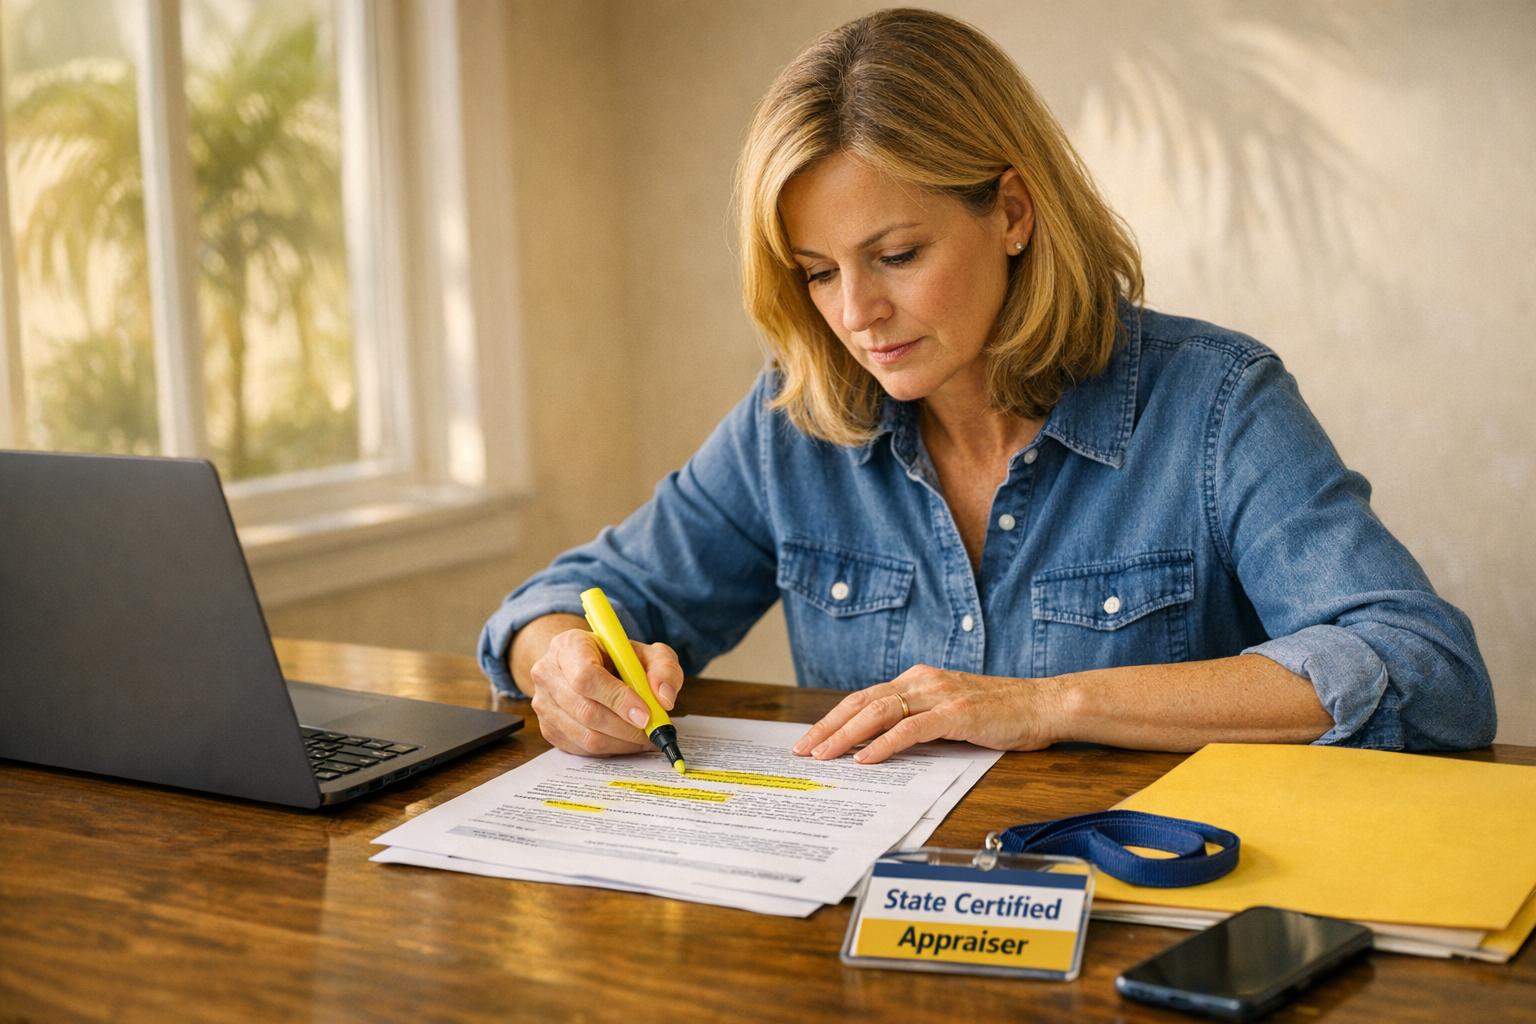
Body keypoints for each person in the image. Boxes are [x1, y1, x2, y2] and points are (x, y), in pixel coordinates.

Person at [478, 8, 1494, 765]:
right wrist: (559, 658)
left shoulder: (1218, 405)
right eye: (819, 272)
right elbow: (569, 599)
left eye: (897, 253)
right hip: (865, 931)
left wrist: (1052, 703)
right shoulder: (796, 422)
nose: (856, 314)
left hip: (1153, 920)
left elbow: (1425, 671)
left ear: (1012, 211)